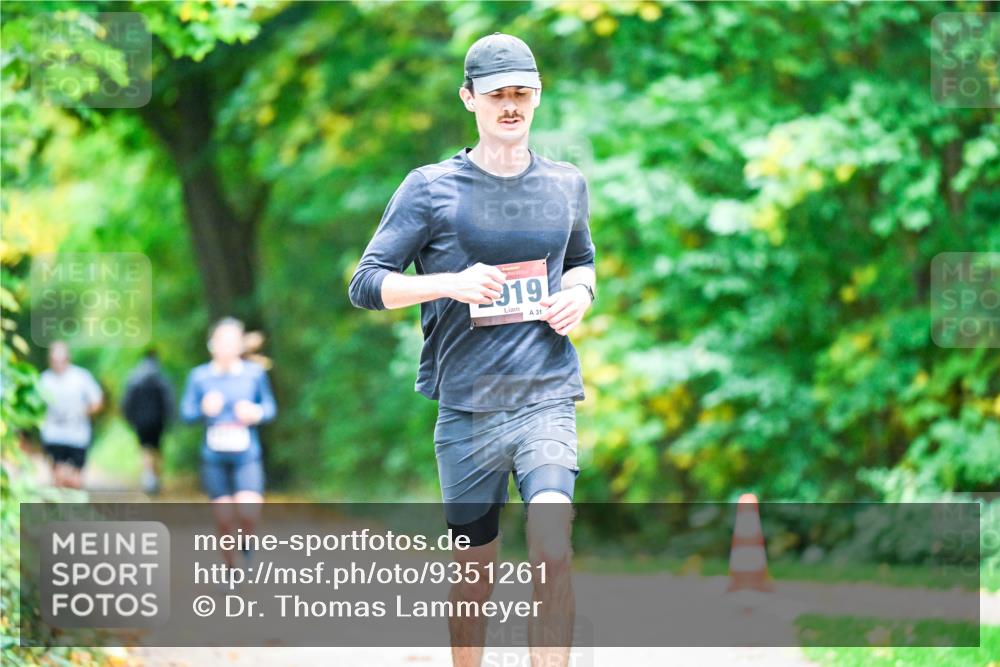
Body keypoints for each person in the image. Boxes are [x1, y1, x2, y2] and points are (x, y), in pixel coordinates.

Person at [348, 33, 596, 667]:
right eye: (497, 96)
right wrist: (449, 284)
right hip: (468, 409)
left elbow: (581, 261)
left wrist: (581, 294)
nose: (511, 106)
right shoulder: (431, 188)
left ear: (538, 97)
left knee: (551, 539)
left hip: (546, 395)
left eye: (523, 94)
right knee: (473, 571)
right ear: (469, 99)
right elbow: (366, 283)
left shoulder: (566, 184)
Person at [180, 317, 276, 568]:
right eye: (222, 341)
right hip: (214, 457)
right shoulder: (199, 377)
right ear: (212, 344)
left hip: (246, 454)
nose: (226, 346)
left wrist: (255, 412)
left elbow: (269, 408)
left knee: (248, 512)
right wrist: (203, 409)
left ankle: (246, 540)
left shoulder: (253, 375)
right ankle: (230, 569)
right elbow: (186, 414)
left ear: (239, 345)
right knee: (223, 519)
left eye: (232, 341)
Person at [38, 340, 104, 489]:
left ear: (68, 359)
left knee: (75, 480)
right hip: (54, 435)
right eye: (54, 360)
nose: (58, 364)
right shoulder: (44, 380)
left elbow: (97, 401)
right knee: (59, 478)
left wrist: (83, 411)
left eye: (61, 360)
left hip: (77, 436)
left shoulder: (81, 377)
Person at [121, 349, 175, 495]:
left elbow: (127, 402)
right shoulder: (161, 377)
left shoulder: (134, 377)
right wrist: (170, 419)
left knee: (145, 449)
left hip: (140, 422)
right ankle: (155, 478)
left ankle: (148, 477)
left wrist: (129, 419)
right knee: (157, 449)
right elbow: (169, 401)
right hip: (158, 421)